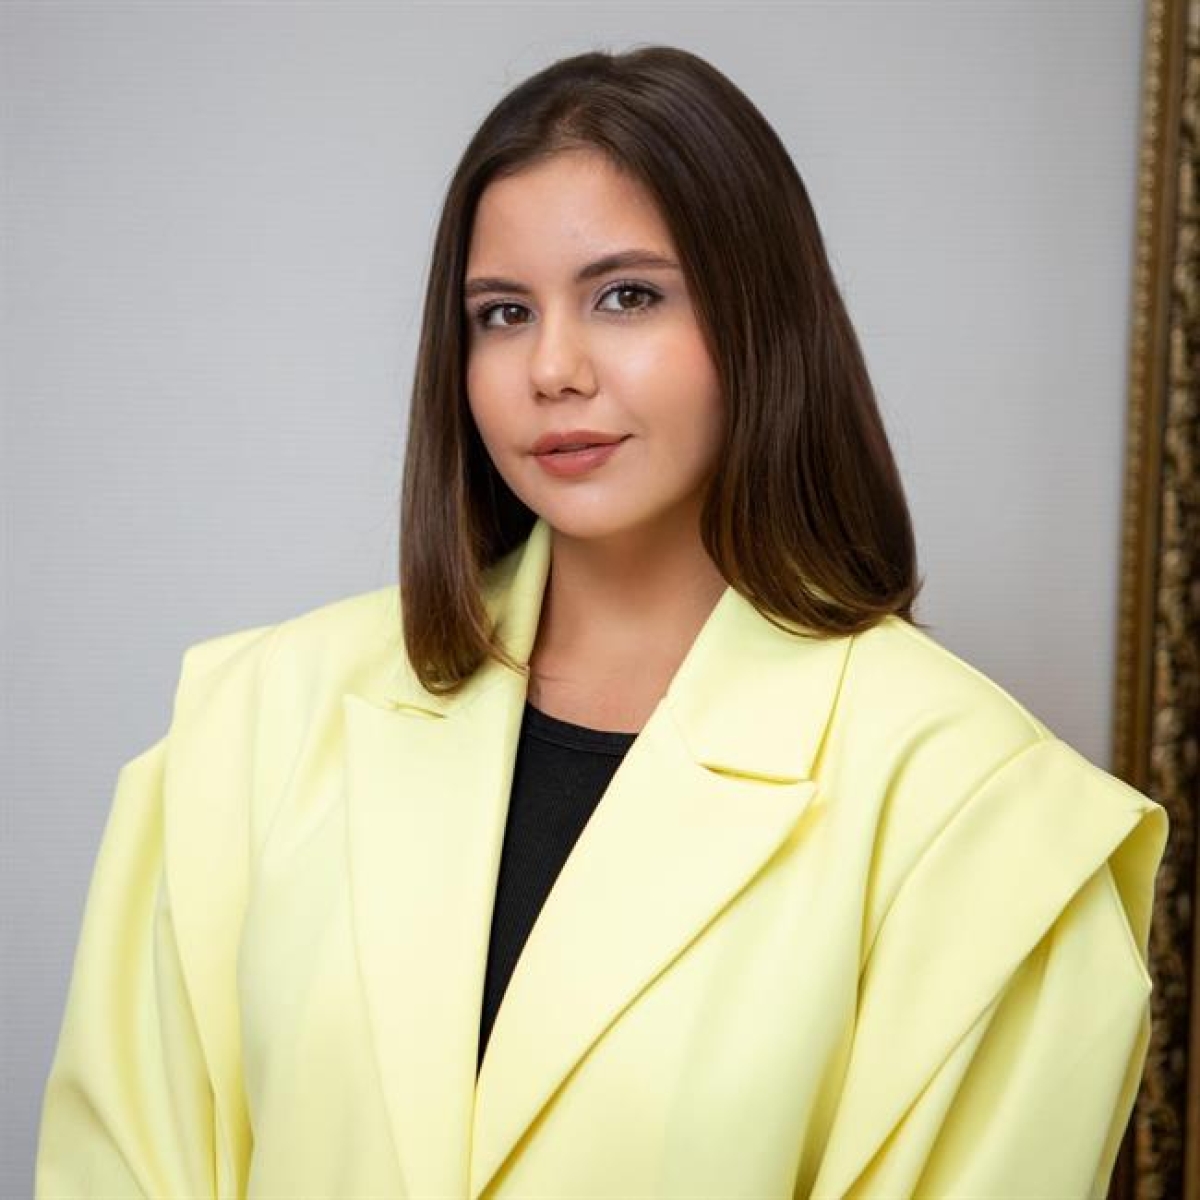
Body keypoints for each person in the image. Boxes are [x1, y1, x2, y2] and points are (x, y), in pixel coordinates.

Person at [36, 44, 1167, 1200]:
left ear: (761, 316)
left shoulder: (989, 819)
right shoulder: (250, 725)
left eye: (627, 295)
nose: (552, 368)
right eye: (502, 313)